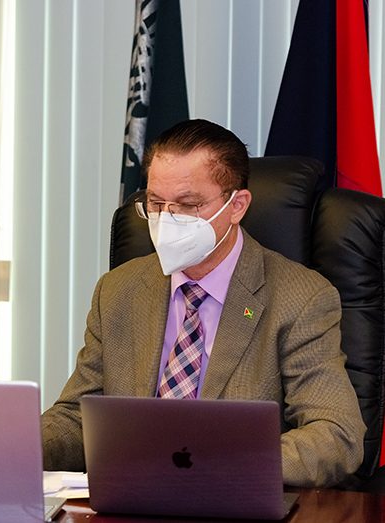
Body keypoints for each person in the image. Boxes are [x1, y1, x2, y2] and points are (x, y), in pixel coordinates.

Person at [41, 119, 365, 488]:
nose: (167, 220)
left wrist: (214, 467)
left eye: (187, 205)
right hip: (132, 501)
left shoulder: (300, 298)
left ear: (237, 205)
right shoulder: (119, 290)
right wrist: (18, 446)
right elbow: (78, 417)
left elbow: (336, 434)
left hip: (232, 504)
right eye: (156, 204)